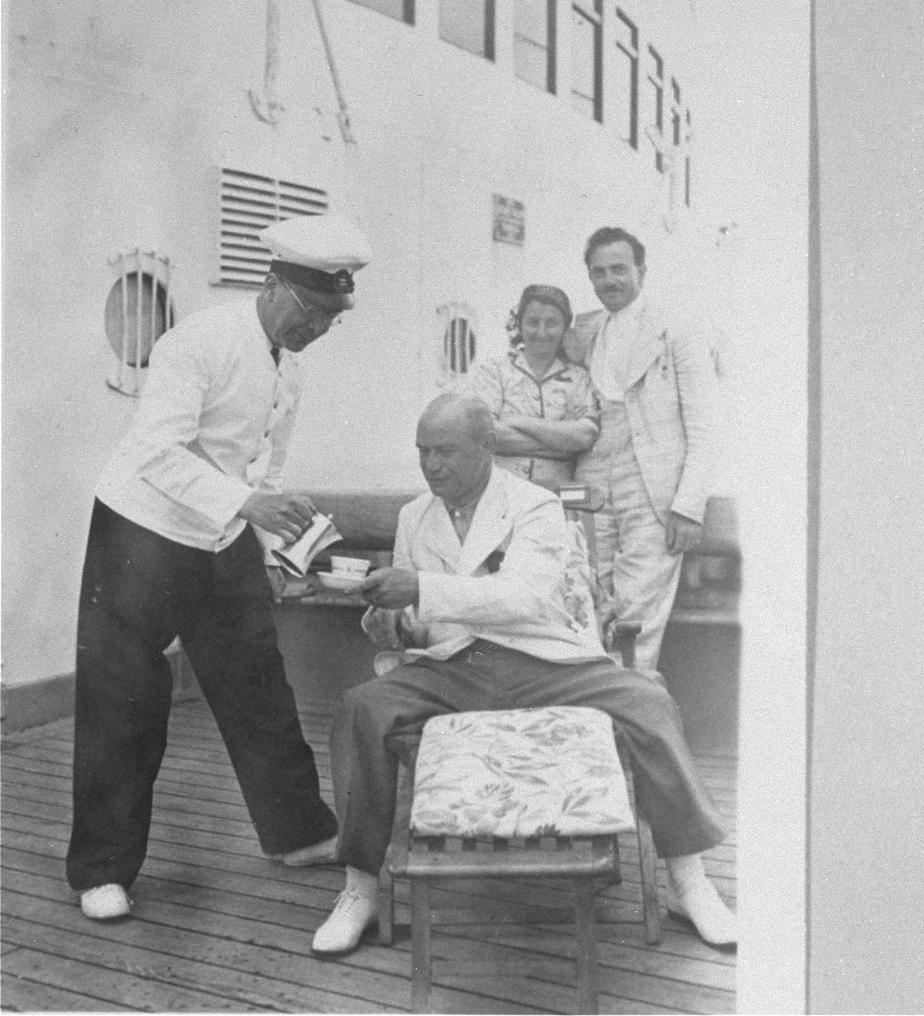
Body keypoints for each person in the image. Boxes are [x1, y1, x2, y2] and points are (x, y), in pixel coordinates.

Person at [309, 394, 736, 956]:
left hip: (543, 660)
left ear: (487, 450)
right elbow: (418, 622)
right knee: (362, 707)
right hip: (456, 666)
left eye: (445, 451)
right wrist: (389, 619)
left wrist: (418, 590)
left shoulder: (534, 505)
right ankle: (360, 890)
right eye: (422, 451)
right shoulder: (416, 516)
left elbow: (525, 598)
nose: (431, 465)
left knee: (648, 701)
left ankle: (689, 882)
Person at [68, 214, 364, 921]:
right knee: (125, 699)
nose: (316, 329)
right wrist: (249, 506)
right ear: (273, 284)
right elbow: (155, 452)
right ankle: (101, 870)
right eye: (310, 312)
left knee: (257, 678)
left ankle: (296, 831)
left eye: (329, 319)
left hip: (223, 532)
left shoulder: (290, 369)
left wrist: (273, 549)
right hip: (141, 529)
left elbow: (268, 466)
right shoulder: (197, 341)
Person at [564, 227, 718, 672]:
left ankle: (629, 715)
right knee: (589, 594)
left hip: (650, 487)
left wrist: (689, 507)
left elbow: (704, 427)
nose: (609, 280)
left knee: (637, 616)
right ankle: (593, 715)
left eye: (619, 269)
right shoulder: (589, 330)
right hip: (593, 481)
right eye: (599, 272)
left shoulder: (679, 330)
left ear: (642, 271)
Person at [462, 284, 598, 490]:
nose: (541, 332)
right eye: (533, 322)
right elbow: (485, 432)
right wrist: (561, 443)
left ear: (564, 328)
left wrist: (518, 421)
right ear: (520, 324)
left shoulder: (579, 378)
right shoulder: (494, 371)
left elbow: (585, 436)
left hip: (556, 493)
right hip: (500, 488)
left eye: (552, 323)